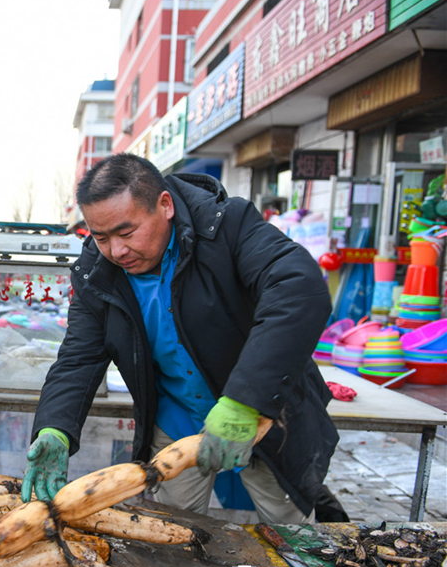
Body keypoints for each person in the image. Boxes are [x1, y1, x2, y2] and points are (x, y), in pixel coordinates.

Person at [22, 153, 338, 524]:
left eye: (126, 233)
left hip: (262, 412)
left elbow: (298, 287)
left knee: (290, 532)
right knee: (171, 533)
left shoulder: (227, 226)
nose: (117, 251)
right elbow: (78, 357)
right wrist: (54, 427)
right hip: (176, 420)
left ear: (165, 206)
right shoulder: (97, 273)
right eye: (101, 237)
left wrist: (245, 402)